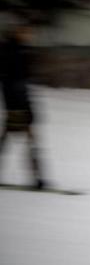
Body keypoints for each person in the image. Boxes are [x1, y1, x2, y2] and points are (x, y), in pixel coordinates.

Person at [0, 20, 47, 189]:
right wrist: (18, 107)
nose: (30, 36)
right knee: (28, 140)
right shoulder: (11, 51)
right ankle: (37, 178)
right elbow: (10, 82)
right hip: (16, 103)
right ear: (17, 32)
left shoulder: (22, 51)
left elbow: (23, 82)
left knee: (11, 140)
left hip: (20, 101)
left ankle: (37, 178)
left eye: (30, 32)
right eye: (26, 32)